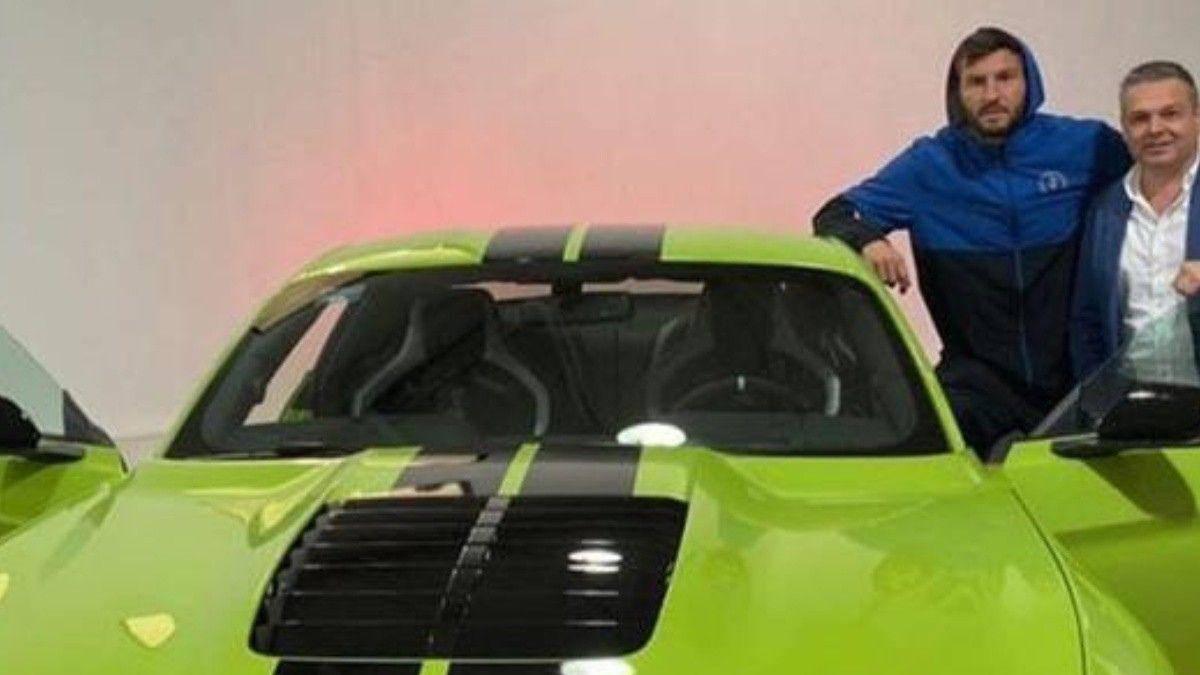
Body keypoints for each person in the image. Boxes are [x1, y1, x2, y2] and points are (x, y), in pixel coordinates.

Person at [813, 27, 1129, 455]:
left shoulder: (1087, 145)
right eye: (976, 82)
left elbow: (1163, 186)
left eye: (1005, 78)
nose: (992, 94)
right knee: (918, 454)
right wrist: (868, 239)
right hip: (978, 386)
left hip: (1078, 381)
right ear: (957, 92)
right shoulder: (930, 165)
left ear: (1030, 82)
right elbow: (834, 214)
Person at [1072, 61, 1200, 381]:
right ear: (1125, 128)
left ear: (1197, 118)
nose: (1155, 129)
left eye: (1170, 114)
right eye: (1140, 118)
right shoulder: (1104, 210)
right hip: (1135, 401)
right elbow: (1088, 318)